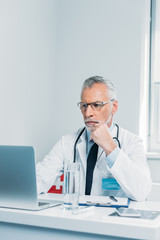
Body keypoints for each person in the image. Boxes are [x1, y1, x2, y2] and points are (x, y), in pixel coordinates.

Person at [36, 76, 152, 201]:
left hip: (112, 219)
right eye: (84, 105)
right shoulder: (67, 143)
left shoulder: (132, 142)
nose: (88, 113)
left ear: (114, 106)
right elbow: (39, 180)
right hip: (76, 217)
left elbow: (142, 192)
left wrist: (110, 147)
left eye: (96, 105)